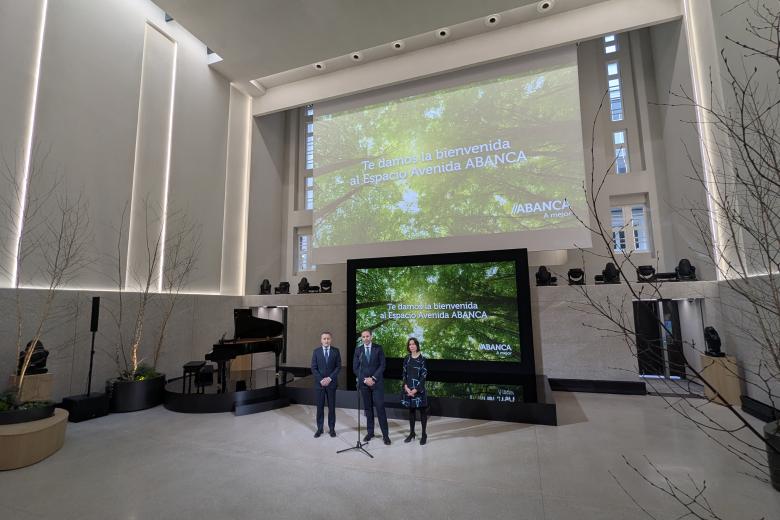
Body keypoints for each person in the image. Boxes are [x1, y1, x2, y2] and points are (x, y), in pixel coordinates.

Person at [353, 329, 391, 445]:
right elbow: (355, 368)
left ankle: (385, 435)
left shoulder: (378, 348)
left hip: (377, 383)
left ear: (371, 337)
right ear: (361, 338)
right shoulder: (358, 350)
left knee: (380, 408)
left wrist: (373, 378)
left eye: (367, 336)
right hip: (364, 384)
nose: (365, 338)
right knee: (368, 409)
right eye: (363, 337)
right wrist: (365, 379)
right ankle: (370, 432)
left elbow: (382, 365)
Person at [311, 331, 341, 438]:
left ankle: (332, 429)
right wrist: (321, 380)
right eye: (324, 339)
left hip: (331, 384)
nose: (326, 340)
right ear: (321, 340)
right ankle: (319, 429)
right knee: (320, 407)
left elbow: (338, 367)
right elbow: (313, 368)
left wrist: (329, 378)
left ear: (331, 340)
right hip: (320, 385)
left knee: (331, 407)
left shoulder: (336, 351)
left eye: (328, 338)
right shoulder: (316, 352)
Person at [401, 337, 428, 445]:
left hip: (419, 391)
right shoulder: (406, 358)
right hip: (408, 390)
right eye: (409, 344)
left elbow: (424, 375)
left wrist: (416, 389)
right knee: (411, 412)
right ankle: (412, 433)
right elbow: (404, 374)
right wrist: (406, 387)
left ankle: (424, 434)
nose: (411, 346)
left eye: (413, 344)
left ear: (417, 345)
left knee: (422, 413)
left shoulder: (422, 359)